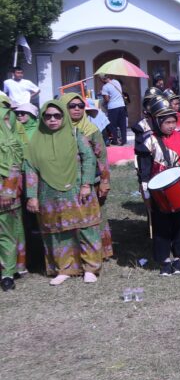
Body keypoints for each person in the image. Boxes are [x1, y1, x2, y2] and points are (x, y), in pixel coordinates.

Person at [25, 99, 104, 285]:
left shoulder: (75, 134)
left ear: (63, 117)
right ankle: (64, 268)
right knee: (57, 232)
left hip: (78, 190)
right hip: (49, 195)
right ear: (42, 118)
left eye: (57, 115)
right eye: (48, 116)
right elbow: (30, 168)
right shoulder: (35, 140)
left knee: (86, 229)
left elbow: (89, 159)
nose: (52, 119)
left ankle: (90, 268)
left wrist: (86, 184)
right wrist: (32, 196)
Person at [136, 97, 180, 276]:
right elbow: (144, 168)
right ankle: (164, 260)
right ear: (157, 122)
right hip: (158, 190)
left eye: (173, 122)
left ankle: (178, 258)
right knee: (161, 225)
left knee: (178, 224)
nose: (171, 126)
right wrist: (145, 190)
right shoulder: (148, 141)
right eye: (167, 122)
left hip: (178, 187)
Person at [61, 93, 113, 260]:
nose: (77, 109)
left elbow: (102, 157)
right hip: (67, 183)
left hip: (93, 182)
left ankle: (101, 252)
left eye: (80, 106)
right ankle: (75, 254)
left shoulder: (91, 130)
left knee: (97, 216)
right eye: (72, 106)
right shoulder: (57, 131)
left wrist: (105, 182)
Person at [0, 94, 25, 291]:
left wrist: (8, 191)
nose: (7, 120)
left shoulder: (11, 141)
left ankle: (7, 273)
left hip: (5, 194)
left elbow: (16, 164)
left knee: (6, 233)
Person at [99, 74, 127, 145]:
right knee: (122, 124)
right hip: (122, 105)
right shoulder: (116, 82)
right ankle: (124, 140)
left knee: (112, 125)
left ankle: (115, 140)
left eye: (100, 79)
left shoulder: (105, 87)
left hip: (113, 107)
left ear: (102, 79)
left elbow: (107, 100)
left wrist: (102, 94)